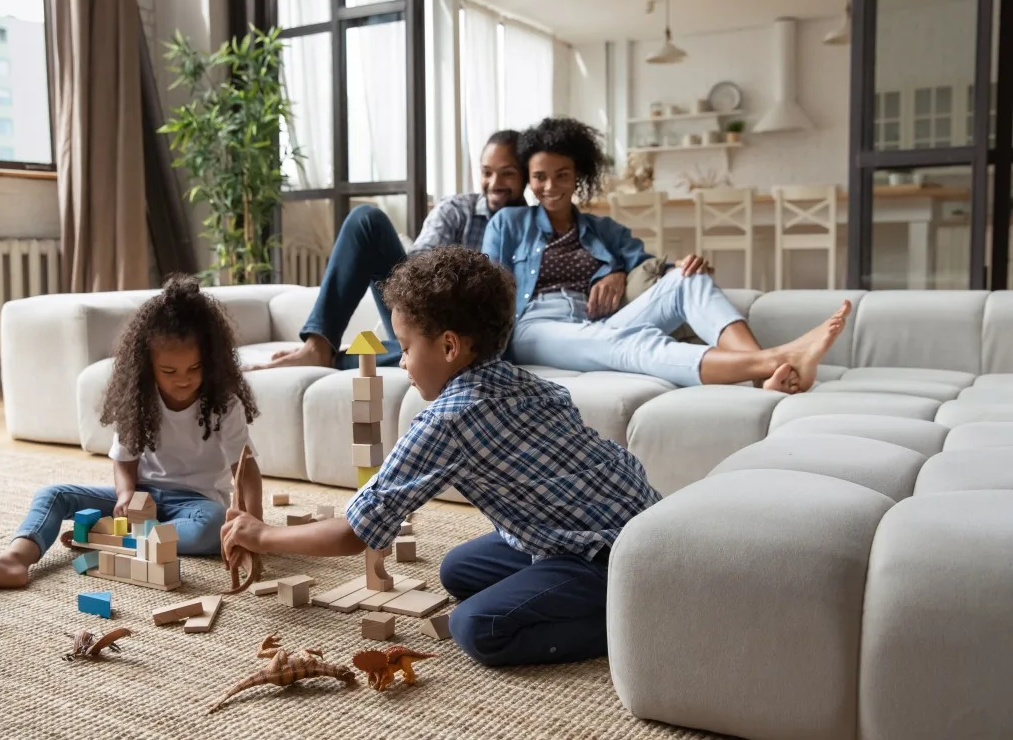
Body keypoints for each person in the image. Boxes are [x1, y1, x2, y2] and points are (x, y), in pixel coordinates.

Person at [221, 246, 661, 667]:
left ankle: (629, 618)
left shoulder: (448, 420)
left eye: (406, 347)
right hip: (625, 518)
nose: (401, 363)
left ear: (450, 347)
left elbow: (358, 533)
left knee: (477, 628)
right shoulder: (521, 380)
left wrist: (261, 537)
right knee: (458, 570)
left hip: (613, 556)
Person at [0, 275, 261, 590]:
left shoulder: (223, 405)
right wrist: (125, 494)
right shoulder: (139, 400)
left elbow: (245, 470)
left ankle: (105, 537)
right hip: (140, 496)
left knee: (213, 525)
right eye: (169, 371)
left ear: (212, 362)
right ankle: (15, 559)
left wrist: (255, 527)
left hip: (196, 504)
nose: (183, 380)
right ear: (148, 366)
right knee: (54, 495)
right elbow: (124, 460)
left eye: (195, 368)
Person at [482, 117, 850, 392]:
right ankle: (776, 360)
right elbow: (485, 294)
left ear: (579, 176)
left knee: (688, 278)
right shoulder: (508, 224)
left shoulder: (601, 229)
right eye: (539, 177)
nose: (550, 186)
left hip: (592, 324)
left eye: (562, 175)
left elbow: (650, 266)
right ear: (529, 180)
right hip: (537, 328)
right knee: (629, 344)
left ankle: (763, 377)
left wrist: (629, 272)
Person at [247, 130, 528, 371]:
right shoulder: (456, 210)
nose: (494, 183)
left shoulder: (531, 227)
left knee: (474, 352)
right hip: (423, 308)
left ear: (525, 177)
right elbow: (418, 269)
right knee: (366, 219)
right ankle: (319, 345)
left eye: (507, 174)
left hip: (471, 336)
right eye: (487, 172)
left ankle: (363, 358)